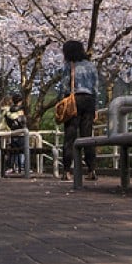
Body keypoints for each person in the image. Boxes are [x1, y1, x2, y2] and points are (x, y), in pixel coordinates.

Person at [58, 40, 99, 181]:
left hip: (74, 100)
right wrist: (96, 107)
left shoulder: (69, 66)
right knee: (87, 136)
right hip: (89, 100)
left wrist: (61, 103)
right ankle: (92, 169)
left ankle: (66, 171)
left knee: (70, 136)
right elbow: (95, 88)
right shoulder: (91, 66)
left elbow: (64, 87)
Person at [7, 93, 27, 173]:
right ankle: (21, 167)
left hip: (13, 132)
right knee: (22, 150)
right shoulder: (21, 111)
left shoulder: (10, 110)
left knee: (14, 151)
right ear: (20, 101)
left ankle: (13, 166)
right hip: (21, 132)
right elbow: (23, 121)